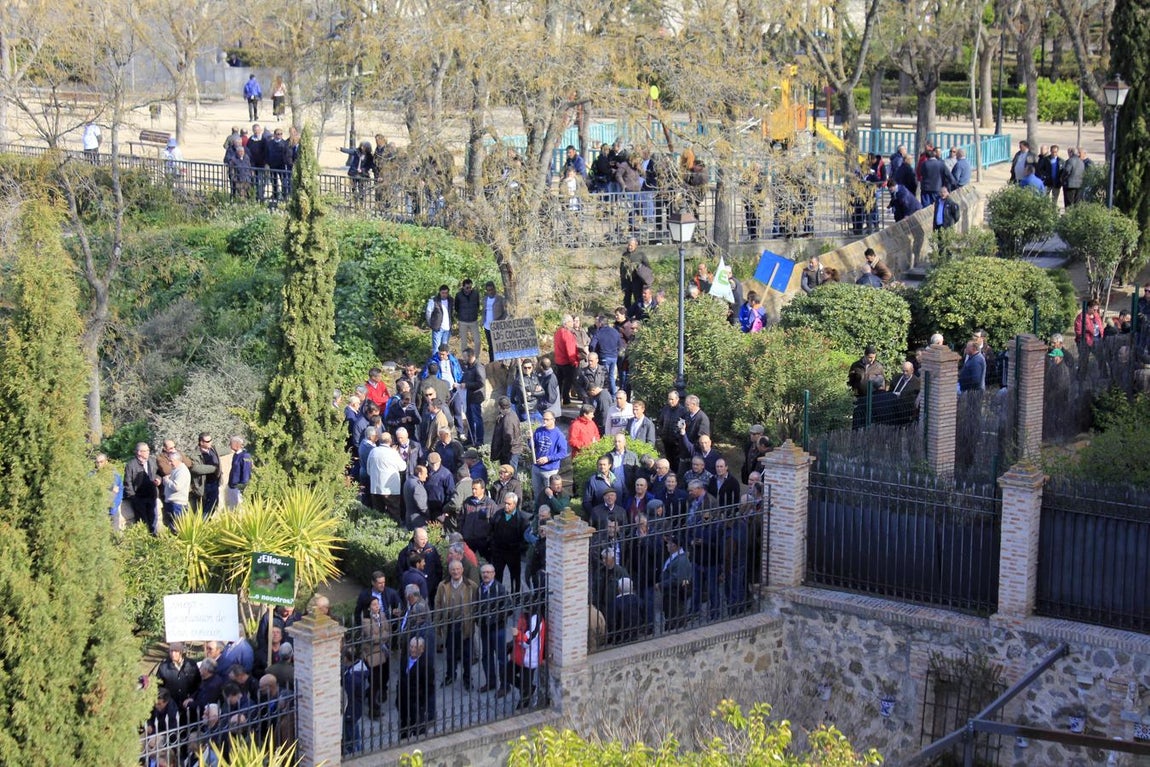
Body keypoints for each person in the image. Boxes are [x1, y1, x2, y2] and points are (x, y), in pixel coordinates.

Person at [434, 560, 477, 689]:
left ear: (462, 570)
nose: (456, 572)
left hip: (466, 625)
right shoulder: (443, 586)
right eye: (453, 569)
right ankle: (450, 675)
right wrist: (438, 624)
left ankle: (467, 678)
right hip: (450, 624)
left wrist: (473, 619)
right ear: (449, 571)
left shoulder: (471, 586)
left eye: (458, 569)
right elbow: (438, 605)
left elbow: (476, 604)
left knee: (467, 654)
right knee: (451, 653)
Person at [475, 563, 511, 694]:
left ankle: (505, 685)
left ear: (494, 574)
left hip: (498, 629)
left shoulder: (500, 589)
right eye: (483, 572)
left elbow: (509, 608)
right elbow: (476, 607)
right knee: (486, 656)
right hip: (484, 628)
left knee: (501, 658)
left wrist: (496, 617)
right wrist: (478, 620)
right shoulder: (479, 589)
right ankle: (490, 682)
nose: (485, 575)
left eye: (488, 572)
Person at [510, 596, 546, 710]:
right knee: (505, 674)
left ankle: (525, 702)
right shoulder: (525, 616)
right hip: (519, 655)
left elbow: (527, 641)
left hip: (530, 658)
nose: (524, 610)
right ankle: (529, 690)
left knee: (525, 683)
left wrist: (517, 635)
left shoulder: (536, 621)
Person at [490, 492, 528, 593]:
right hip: (499, 552)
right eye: (505, 503)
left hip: (513, 553)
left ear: (515, 504)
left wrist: (518, 548)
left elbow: (524, 539)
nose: (506, 506)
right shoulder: (498, 515)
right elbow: (491, 530)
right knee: (497, 576)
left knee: (515, 577)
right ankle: (498, 598)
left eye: (509, 504)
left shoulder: (522, 519)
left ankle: (515, 598)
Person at [397, 636, 432, 739]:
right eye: (411, 647)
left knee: (418, 729)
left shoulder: (425, 664)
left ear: (422, 649)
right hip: (403, 701)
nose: (412, 650)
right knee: (404, 727)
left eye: (415, 648)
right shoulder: (405, 659)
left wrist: (422, 703)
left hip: (416, 702)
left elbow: (429, 686)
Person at [530, 410, 568, 502]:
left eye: (547, 419)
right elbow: (532, 447)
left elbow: (563, 453)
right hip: (537, 467)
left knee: (550, 494)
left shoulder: (558, 435)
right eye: (543, 419)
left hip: (550, 469)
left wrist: (548, 458)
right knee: (537, 493)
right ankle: (538, 512)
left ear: (553, 420)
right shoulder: (539, 431)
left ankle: (550, 512)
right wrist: (529, 439)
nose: (544, 422)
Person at [123, 442, 160, 534]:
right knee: (142, 520)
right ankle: (144, 538)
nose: (148, 452)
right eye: (145, 451)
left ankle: (154, 537)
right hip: (139, 497)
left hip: (151, 495)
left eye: (148, 450)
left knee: (153, 518)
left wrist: (158, 479)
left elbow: (158, 474)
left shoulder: (152, 461)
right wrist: (133, 497)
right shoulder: (131, 465)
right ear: (139, 452)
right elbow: (128, 482)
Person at [659, 534, 692, 631]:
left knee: (675, 618)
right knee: (670, 616)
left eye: (669, 543)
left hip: (674, 595)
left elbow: (676, 579)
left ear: (675, 546)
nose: (667, 545)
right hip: (670, 594)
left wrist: (661, 584)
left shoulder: (681, 560)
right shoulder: (674, 557)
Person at [189, 433, 221, 516]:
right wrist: (214, 469)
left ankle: (206, 523)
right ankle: (203, 525)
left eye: (211, 440)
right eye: (207, 441)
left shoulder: (213, 450)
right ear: (201, 442)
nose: (210, 442)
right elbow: (195, 468)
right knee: (205, 508)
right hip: (204, 485)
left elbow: (223, 451)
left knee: (214, 505)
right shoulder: (195, 455)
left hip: (215, 483)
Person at [161, 451, 190, 533]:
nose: (169, 463)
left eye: (171, 461)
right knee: (172, 527)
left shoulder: (182, 471)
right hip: (173, 503)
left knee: (177, 529)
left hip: (177, 504)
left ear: (178, 460)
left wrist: (167, 481)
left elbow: (177, 487)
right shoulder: (176, 469)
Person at [553, 315, 579, 406]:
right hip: (567, 362)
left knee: (559, 382)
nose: (573, 323)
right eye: (571, 321)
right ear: (567, 323)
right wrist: (574, 362)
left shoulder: (557, 332)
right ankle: (566, 401)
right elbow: (570, 350)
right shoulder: (567, 334)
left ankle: (558, 400)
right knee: (568, 382)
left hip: (558, 361)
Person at [454, 279, 481, 359]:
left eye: (470, 287)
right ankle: (465, 359)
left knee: (477, 341)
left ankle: (476, 358)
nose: (469, 289)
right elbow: (456, 308)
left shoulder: (476, 294)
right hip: (463, 321)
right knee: (464, 342)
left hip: (473, 321)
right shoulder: (458, 295)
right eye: (467, 288)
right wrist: (462, 315)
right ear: (463, 287)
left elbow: (478, 305)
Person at [226, 436, 252, 510]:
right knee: (232, 508)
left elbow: (246, 472)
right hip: (232, 485)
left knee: (239, 509)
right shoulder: (236, 454)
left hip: (238, 487)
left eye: (231, 443)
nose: (229, 445)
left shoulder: (245, 455)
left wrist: (241, 487)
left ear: (237, 444)